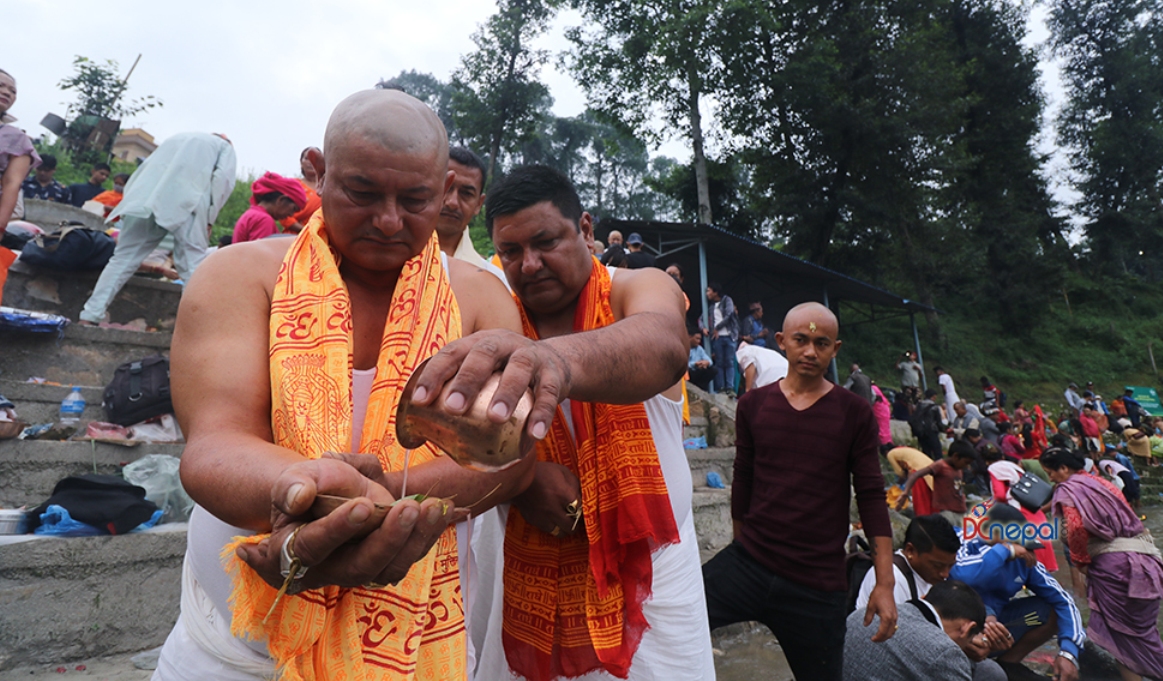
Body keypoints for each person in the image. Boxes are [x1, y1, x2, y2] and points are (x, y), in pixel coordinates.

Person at [156, 90, 535, 680]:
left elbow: (510, 460)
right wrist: (308, 489)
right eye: (362, 193)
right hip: (236, 649)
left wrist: (389, 497)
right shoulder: (242, 276)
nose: (389, 220)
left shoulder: (481, 298)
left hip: (414, 641)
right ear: (317, 170)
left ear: (444, 192)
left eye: (415, 200)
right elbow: (215, 445)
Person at [441, 163, 713, 680]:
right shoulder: (495, 312)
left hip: (650, 579)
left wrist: (550, 363)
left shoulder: (636, 287)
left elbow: (663, 345)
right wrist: (519, 479)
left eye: (546, 242)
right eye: (512, 252)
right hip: (521, 573)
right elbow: (457, 434)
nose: (531, 264)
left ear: (586, 230)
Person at [704, 302, 898, 680]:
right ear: (781, 342)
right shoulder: (753, 405)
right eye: (801, 340)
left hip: (817, 581)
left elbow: (872, 495)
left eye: (822, 343)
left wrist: (885, 583)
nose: (811, 351)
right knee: (669, 620)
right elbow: (743, 478)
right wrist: (740, 546)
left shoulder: (854, 412)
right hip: (749, 562)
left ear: (835, 349)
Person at [1043, 447, 1163, 681]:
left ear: (1064, 468)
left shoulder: (1068, 489)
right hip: (1145, 561)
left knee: (1123, 641)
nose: (1051, 479)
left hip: (1114, 566)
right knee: (1144, 634)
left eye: (1051, 473)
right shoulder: (1102, 483)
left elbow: (1075, 527)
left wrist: (1080, 560)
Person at [78, 132, 237, 325]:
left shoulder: (176, 138)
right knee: (192, 267)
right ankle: (194, 329)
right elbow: (222, 181)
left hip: (145, 197)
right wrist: (210, 218)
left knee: (122, 259)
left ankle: (89, 316)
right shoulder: (224, 147)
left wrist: (130, 200)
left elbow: (144, 169)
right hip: (189, 202)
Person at [950, 503, 1084, 681]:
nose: (1024, 550)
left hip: (997, 626)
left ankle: (1008, 665)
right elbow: (966, 578)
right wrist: (1005, 551)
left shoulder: (1024, 559)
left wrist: (1069, 652)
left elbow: (1063, 600)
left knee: (1051, 610)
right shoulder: (964, 543)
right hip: (955, 626)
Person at [845, 580, 990, 681]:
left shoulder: (864, 614)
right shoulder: (945, 653)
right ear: (967, 628)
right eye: (968, 642)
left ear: (924, 597)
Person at [979, 445, 1058, 571]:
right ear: (1003, 456)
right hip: (1035, 511)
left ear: (986, 461)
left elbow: (999, 495)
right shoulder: (1014, 467)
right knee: (1041, 554)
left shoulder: (994, 469)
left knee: (1025, 557)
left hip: (1019, 514)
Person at [854, 514, 960, 609]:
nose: (945, 574)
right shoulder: (892, 579)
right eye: (937, 566)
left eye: (950, 565)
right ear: (910, 551)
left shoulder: (929, 576)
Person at [435, 146, 504, 280]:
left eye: (466, 193)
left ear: (479, 204)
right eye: (446, 187)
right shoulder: (393, 262)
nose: (452, 202)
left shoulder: (493, 279)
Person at [898, 440, 975, 527]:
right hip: (947, 512)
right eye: (966, 462)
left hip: (961, 510)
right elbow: (916, 474)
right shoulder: (940, 466)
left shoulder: (958, 469)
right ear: (956, 456)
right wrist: (905, 491)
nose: (967, 466)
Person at [0, 69, 38, 226]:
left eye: (12, 91)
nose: (7, 92)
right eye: (1, 85)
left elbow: (11, 184)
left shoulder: (17, 140)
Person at [231, 172, 305, 243]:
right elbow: (260, 254)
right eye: (293, 209)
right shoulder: (263, 220)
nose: (291, 215)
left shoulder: (252, 214)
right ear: (281, 200)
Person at [701, 281, 738, 394]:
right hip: (717, 338)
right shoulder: (711, 307)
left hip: (729, 336)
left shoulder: (727, 300)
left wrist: (716, 327)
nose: (707, 293)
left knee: (729, 362)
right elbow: (701, 319)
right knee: (720, 363)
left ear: (715, 292)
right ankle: (721, 387)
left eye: (709, 291)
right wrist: (703, 327)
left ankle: (730, 388)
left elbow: (729, 315)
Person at [279, 146, 322, 232]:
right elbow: (283, 214)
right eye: (307, 158)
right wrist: (306, 231)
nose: (311, 162)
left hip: (322, 235)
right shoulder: (293, 185)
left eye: (315, 158)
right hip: (293, 237)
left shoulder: (328, 187)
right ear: (301, 163)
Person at [888, 446, 935, 514]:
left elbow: (900, 473)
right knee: (930, 498)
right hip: (929, 469)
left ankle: (923, 520)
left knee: (921, 501)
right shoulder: (904, 449)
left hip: (918, 472)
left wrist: (899, 486)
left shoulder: (890, 454)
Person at [911, 388, 946, 460]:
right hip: (931, 430)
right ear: (933, 397)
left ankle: (926, 467)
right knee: (937, 451)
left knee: (926, 452)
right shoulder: (934, 407)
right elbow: (938, 421)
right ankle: (938, 467)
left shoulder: (919, 405)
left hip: (920, 431)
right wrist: (943, 429)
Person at [871, 383, 894, 456]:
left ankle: (885, 449)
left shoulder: (872, 389)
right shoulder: (877, 390)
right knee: (885, 429)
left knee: (881, 430)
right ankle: (889, 446)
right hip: (884, 410)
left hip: (879, 410)